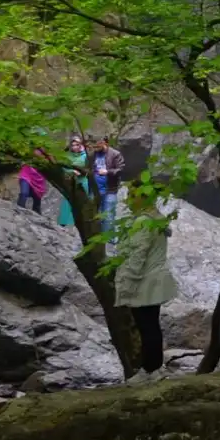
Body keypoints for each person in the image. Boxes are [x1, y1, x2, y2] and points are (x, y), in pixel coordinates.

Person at [113, 196, 178, 375]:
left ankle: (150, 370)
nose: (128, 200)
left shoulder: (143, 222)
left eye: (132, 196)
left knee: (146, 327)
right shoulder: (156, 220)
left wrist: (127, 283)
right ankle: (153, 368)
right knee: (151, 326)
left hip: (144, 281)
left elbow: (137, 255)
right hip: (153, 280)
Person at [90, 137, 125, 236]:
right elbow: (88, 167)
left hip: (110, 189)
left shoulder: (115, 154)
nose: (96, 148)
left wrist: (108, 172)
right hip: (95, 189)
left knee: (109, 215)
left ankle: (108, 239)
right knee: (94, 214)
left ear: (105, 143)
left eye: (98, 146)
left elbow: (120, 169)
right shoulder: (94, 154)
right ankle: (95, 237)